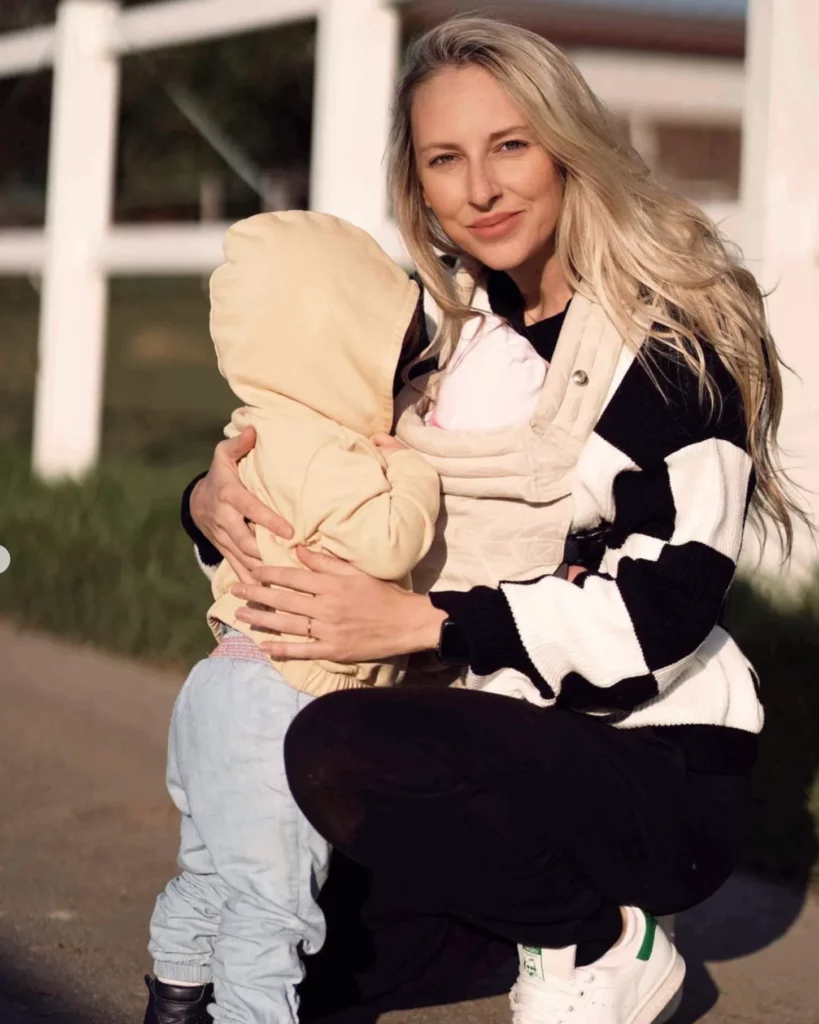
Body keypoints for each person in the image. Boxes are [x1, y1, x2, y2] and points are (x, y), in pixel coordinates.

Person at [181, 16, 805, 1024]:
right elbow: (328, 477)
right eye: (445, 159)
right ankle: (520, 919)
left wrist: (429, 625)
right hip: (481, 741)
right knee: (274, 965)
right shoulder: (439, 344)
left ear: (567, 146)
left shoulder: (663, 351)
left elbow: (669, 602)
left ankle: (599, 934)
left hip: (651, 765)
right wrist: (208, 502)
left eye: (510, 145)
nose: (481, 188)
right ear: (417, 183)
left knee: (335, 745)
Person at [144, 211, 440, 1024]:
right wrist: (412, 469)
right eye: (393, 354)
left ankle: (174, 996)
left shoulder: (254, 431)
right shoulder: (333, 450)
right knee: (273, 909)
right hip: (282, 702)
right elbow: (387, 541)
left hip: (219, 688)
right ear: (341, 349)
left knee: (211, 873)